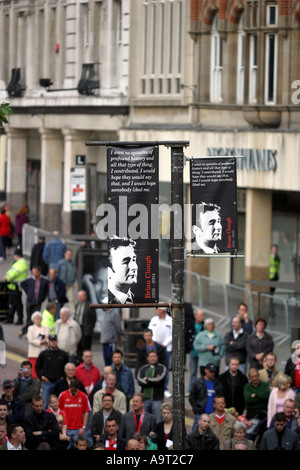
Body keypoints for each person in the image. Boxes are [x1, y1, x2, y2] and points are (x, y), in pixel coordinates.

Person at [35, 334, 69, 409]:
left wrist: (63, 378)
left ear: (57, 341)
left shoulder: (63, 354)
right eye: (52, 341)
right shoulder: (43, 354)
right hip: (47, 383)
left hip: (59, 382)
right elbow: (37, 366)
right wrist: (41, 376)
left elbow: (67, 367)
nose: (53, 342)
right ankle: (44, 420)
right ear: (49, 342)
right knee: (44, 404)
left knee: (61, 403)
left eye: (55, 341)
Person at [189, 362, 224, 431]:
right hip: (200, 414)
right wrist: (196, 410)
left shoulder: (218, 384)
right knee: (195, 435)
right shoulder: (197, 383)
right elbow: (192, 398)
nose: (212, 373)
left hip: (214, 415)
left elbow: (221, 398)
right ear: (205, 370)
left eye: (214, 372)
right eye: (211, 371)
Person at [58, 378, 90, 449]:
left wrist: (83, 427)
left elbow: (86, 412)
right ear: (69, 386)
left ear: (78, 388)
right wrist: (61, 429)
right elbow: (59, 412)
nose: (74, 392)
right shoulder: (62, 395)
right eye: (72, 390)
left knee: (80, 448)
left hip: (78, 429)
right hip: (66, 429)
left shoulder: (83, 396)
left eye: (75, 391)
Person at [148, 307, 172, 397]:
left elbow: (173, 333)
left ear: (162, 310)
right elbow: (149, 331)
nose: (155, 310)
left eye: (157, 308)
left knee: (165, 367)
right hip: (154, 348)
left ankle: (164, 388)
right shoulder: (154, 319)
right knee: (152, 366)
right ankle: (152, 386)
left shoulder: (170, 320)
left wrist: (165, 343)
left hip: (165, 348)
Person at [137, 350, 167, 423]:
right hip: (145, 400)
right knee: (144, 422)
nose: (153, 358)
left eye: (154, 356)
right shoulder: (142, 368)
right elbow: (139, 381)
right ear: (147, 358)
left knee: (158, 422)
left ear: (157, 358)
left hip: (157, 399)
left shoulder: (162, 368)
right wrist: (154, 379)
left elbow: (160, 380)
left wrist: (147, 379)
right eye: (151, 357)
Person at [19, 266, 49, 336]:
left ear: (39, 272)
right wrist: (27, 292)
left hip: (38, 302)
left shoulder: (44, 281)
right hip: (29, 301)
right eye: (33, 272)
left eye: (35, 272)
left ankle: (24, 331)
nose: (33, 274)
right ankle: (28, 332)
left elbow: (46, 290)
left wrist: (43, 298)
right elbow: (21, 284)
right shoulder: (30, 280)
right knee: (29, 318)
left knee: (34, 318)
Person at [108, 236, 138, 304]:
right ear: (110, 268)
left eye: (134, 260)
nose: (133, 267)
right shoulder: (107, 299)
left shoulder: (134, 298)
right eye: (125, 262)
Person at [3, 246, 28, 325]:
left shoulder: (22, 263)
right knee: (13, 303)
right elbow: (11, 270)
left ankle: (19, 319)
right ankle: (10, 318)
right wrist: (6, 275)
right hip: (13, 286)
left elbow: (14, 273)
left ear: (17, 255)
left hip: (16, 287)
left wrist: (7, 277)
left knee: (17, 304)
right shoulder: (19, 262)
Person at [26, 311, 50, 377]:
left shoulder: (46, 328)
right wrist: (40, 342)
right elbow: (30, 340)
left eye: (39, 318)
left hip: (44, 352)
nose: (37, 320)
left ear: (41, 319)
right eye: (36, 319)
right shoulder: (31, 328)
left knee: (43, 371)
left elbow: (50, 338)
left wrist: (46, 341)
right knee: (34, 372)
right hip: (34, 353)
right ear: (33, 320)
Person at [99, 301, 122, 366]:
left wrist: (118, 335)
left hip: (111, 341)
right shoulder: (105, 313)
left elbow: (118, 326)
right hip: (104, 341)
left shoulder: (114, 313)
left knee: (112, 358)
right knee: (106, 358)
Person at [75, 290, 97, 356]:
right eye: (78, 296)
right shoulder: (76, 305)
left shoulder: (89, 306)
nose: (79, 298)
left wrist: (90, 328)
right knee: (78, 348)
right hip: (77, 329)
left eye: (81, 296)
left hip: (86, 330)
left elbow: (94, 318)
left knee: (86, 349)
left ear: (85, 297)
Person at [188, 309, 205, 393]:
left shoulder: (205, 325)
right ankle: (191, 389)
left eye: (203, 315)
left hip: (202, 352)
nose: (202, 317)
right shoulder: (191, 324)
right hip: (193, 351)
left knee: (203, 372)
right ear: (196, 316)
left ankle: (202, 389)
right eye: (200, 315)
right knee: (193, 372)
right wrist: (189, 347)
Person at [57, 249, 77, 314]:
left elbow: (75, 273)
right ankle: (59, 313)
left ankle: (73, 314)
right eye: (68, 254)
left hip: (70, 284)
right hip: (62, 285)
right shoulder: (60, 263)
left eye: (70, 255)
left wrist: (73, 281)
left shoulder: (73, 263)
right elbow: (57, 273)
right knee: (61, 300)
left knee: (71, 299)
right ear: (65, 254)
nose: (69, 256)